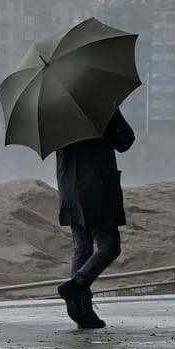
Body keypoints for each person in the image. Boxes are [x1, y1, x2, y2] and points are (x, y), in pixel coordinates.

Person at [55, 107, 135, 329]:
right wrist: (113, 112)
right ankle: (77, 284)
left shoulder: (54, 114)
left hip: (69, 190)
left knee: (82, 248)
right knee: (110, 247)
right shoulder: (99, 106)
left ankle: (81, 311)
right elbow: (125, 141)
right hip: (96, 189)